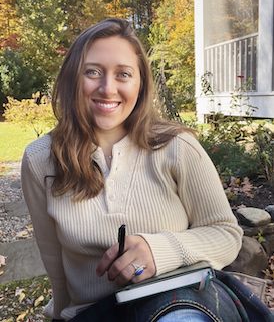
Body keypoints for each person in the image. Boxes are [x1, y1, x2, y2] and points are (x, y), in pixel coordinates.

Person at [21, 18, 244, 322]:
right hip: (95, 314)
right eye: (92, 72)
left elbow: (226, 234)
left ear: (140, 83)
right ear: (73, 77)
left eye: (123, 74)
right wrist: (61, 315)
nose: (107, 87)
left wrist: (161, 249)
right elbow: (54, 262)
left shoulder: (178, 146)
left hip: (180, 304)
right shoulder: (40, 159)